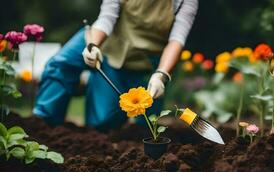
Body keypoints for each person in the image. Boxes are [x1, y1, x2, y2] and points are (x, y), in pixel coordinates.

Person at [33, 0, 199, 130]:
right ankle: (43, 123)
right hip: (108, 43)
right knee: (61, 64)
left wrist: (161, 74)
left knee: (104, 122)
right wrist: (93, 46)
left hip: (142, 58)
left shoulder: (185, 1)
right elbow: (107, 18)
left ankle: (89, 83)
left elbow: (177, 40)